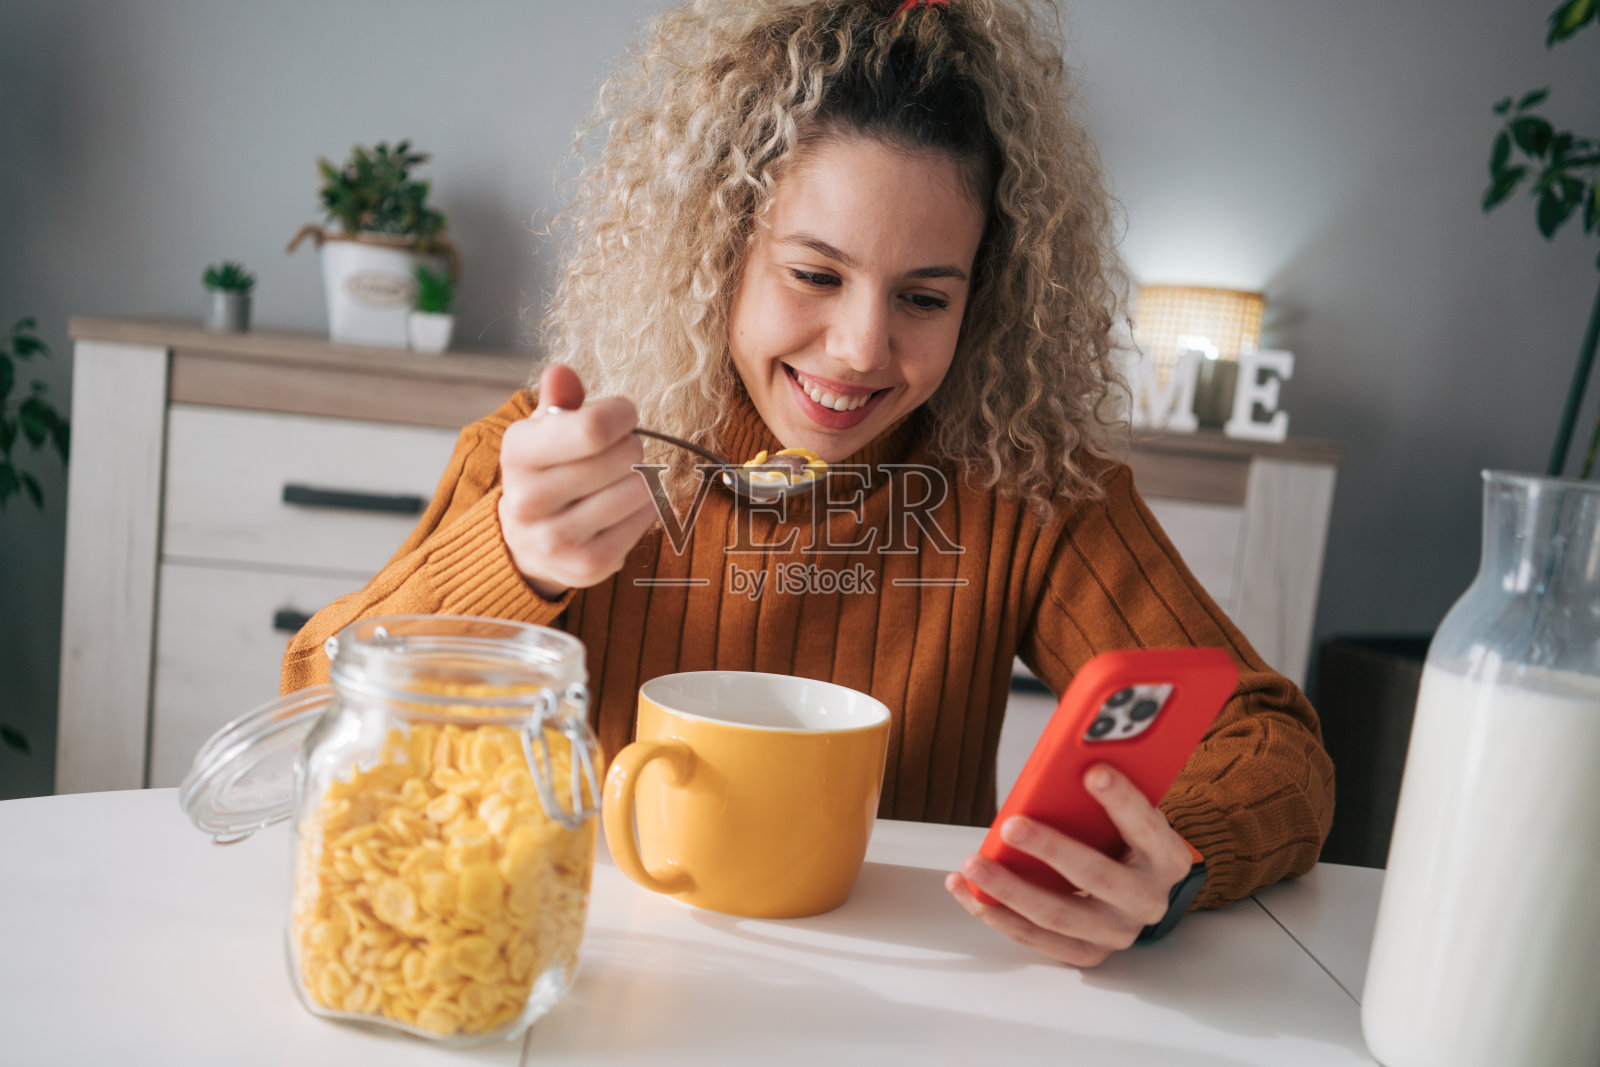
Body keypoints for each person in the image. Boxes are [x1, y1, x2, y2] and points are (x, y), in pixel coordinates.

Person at [283, 0, 1333, 967]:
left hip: (903, 992)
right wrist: (511, 556)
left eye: (923, 295)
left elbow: (1271, 743)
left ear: (988, 297)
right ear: (718, 244)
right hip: (592, 967)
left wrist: (1171, 860)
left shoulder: (1030, 486)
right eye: (815, 274)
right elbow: (302, 710)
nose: (860, 347)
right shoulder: (552, 454)